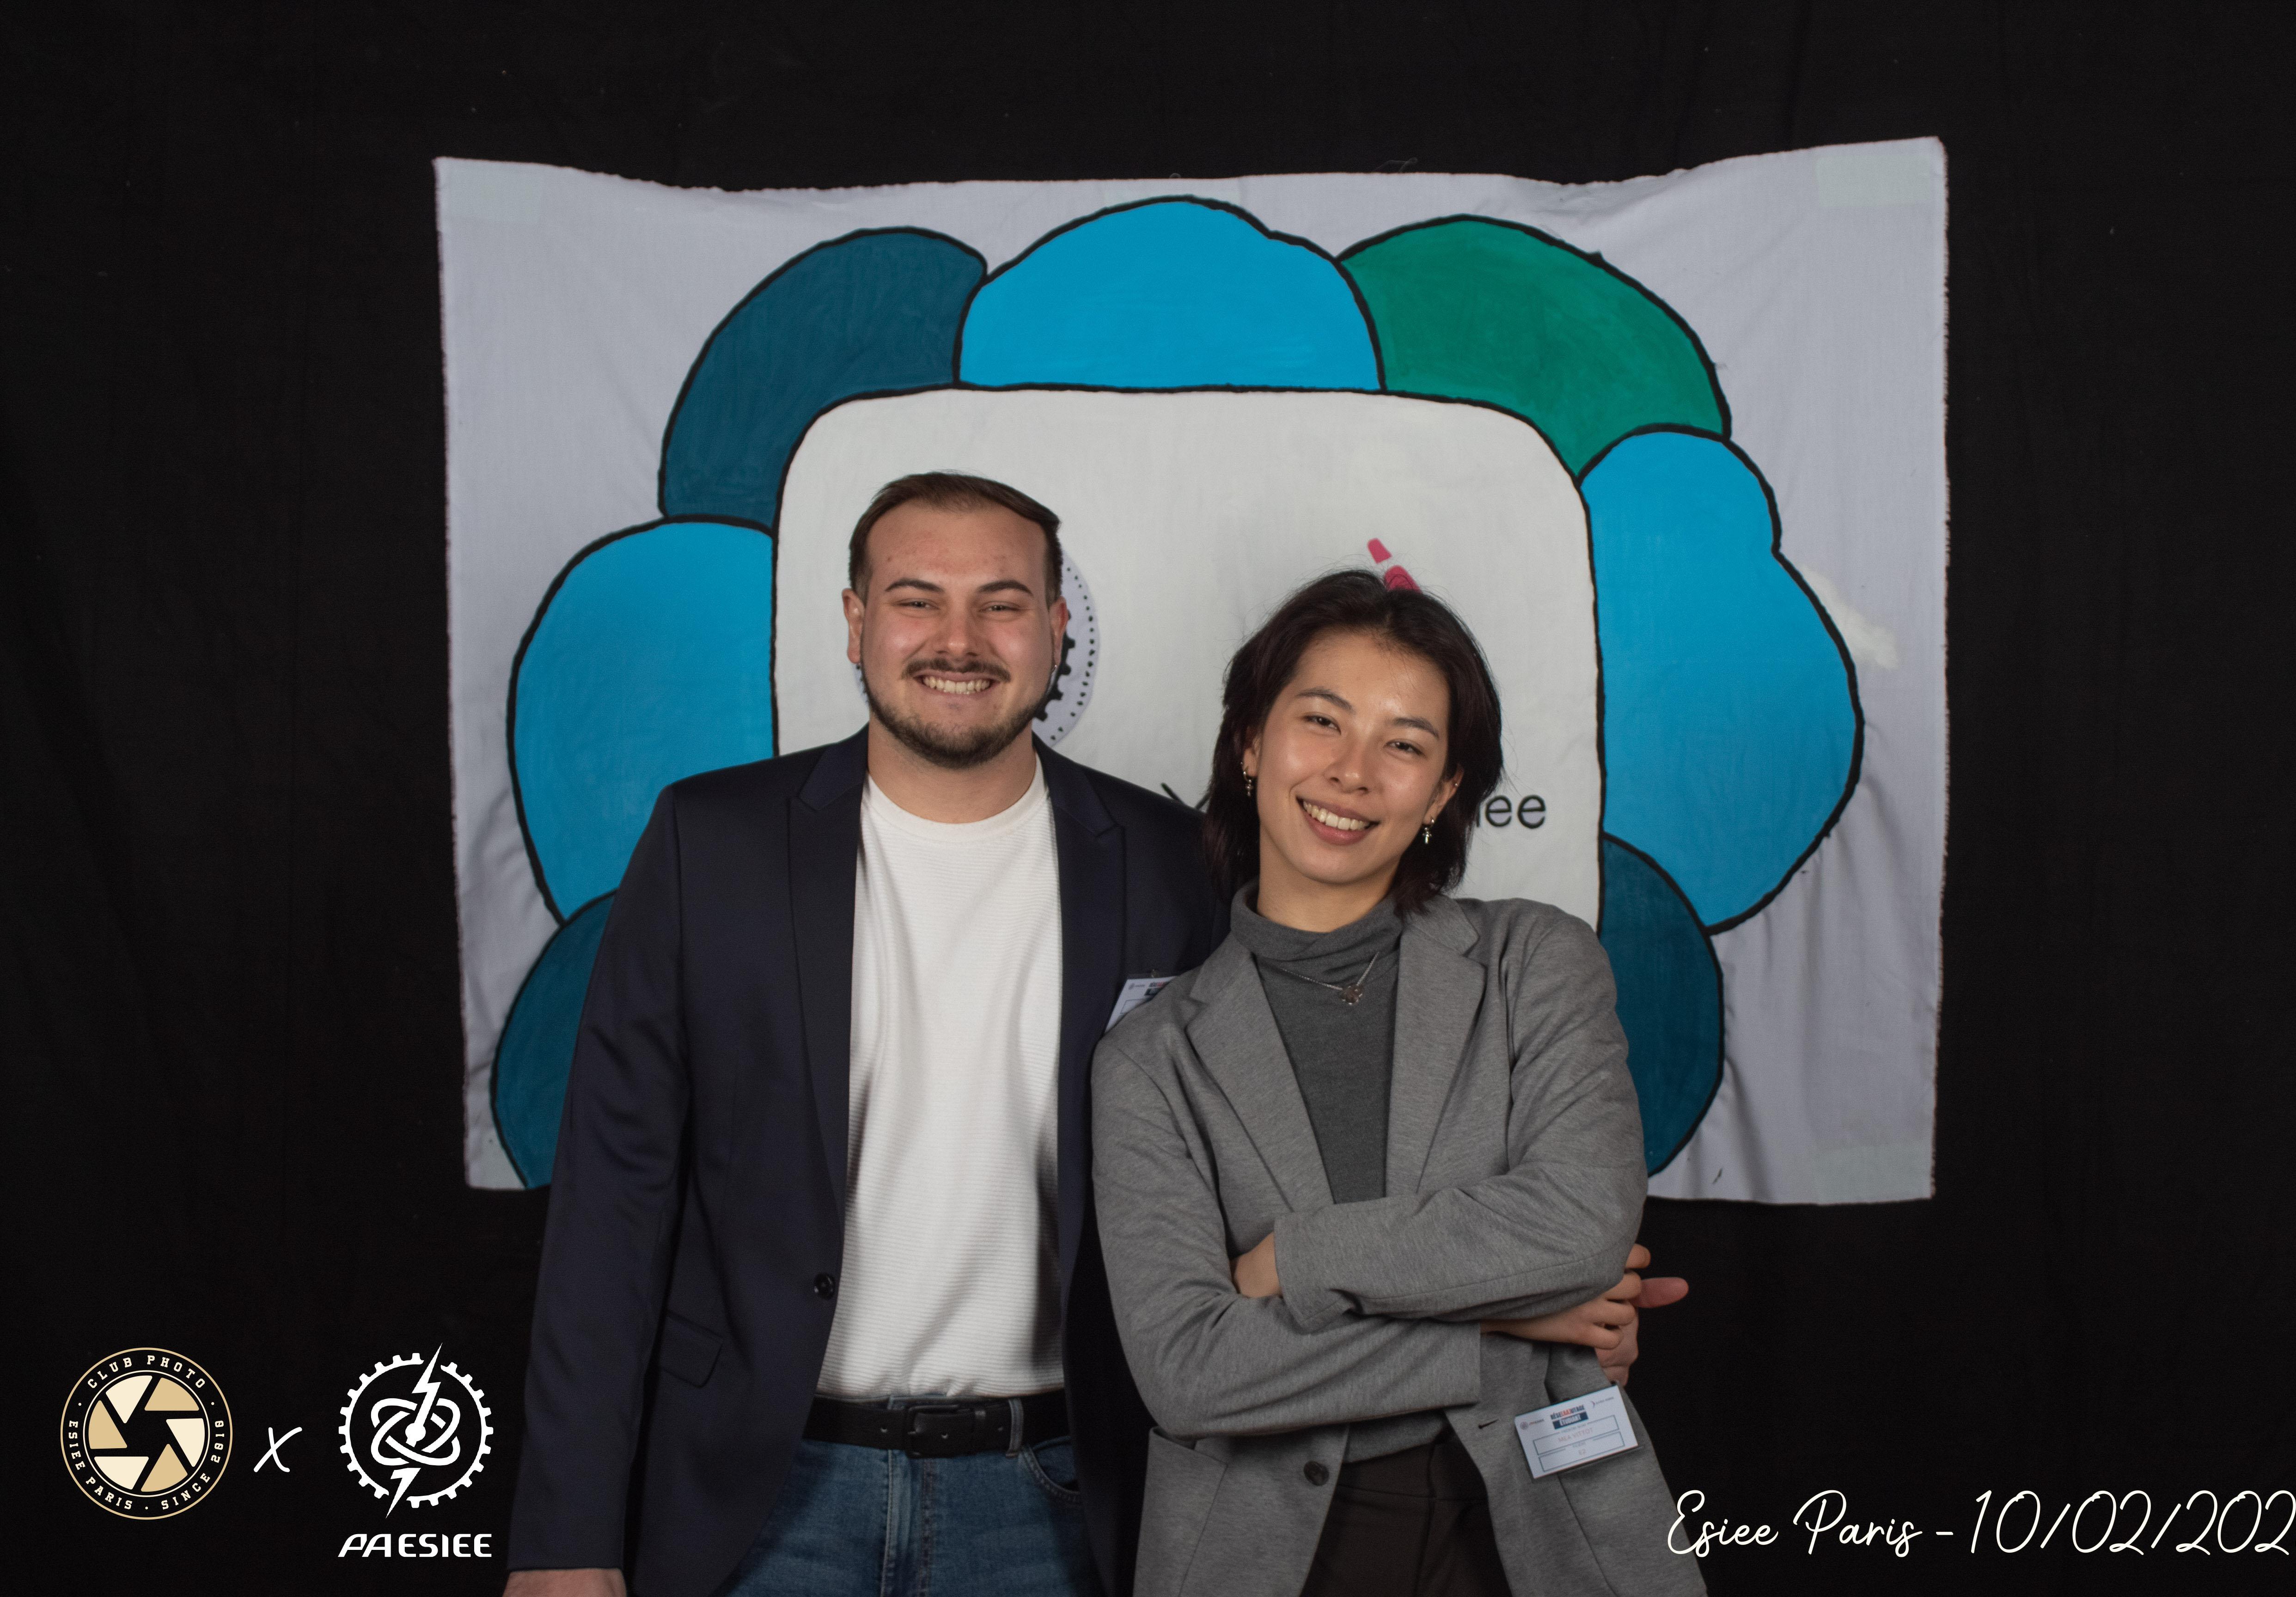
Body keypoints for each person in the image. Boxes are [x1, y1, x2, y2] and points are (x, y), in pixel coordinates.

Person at [502, 476, 1679, 1597]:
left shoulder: (1168, 864)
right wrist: (565, 1533)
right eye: (917, 599)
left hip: (1058, 1493)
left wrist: (1494, 1290)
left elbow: (1292, 1163)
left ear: (1058, 630)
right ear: (856, 622)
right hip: (759, 1487)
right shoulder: (712, 844)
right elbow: (613, 1203)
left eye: (1002, 604)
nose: (958, 639)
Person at [1092, 572, 1704, 1597]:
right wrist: (1496, 1324)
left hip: (1544, 1521)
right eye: (1321, 722)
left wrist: (1295, 1258)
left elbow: (1580, 1228)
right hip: (1264, 1549)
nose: (1354, 773)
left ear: (1446, 790)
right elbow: (1192, 1373)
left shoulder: (1532, 963)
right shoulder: (1152, 1059)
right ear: (1249, 743)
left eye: (1405, 744)